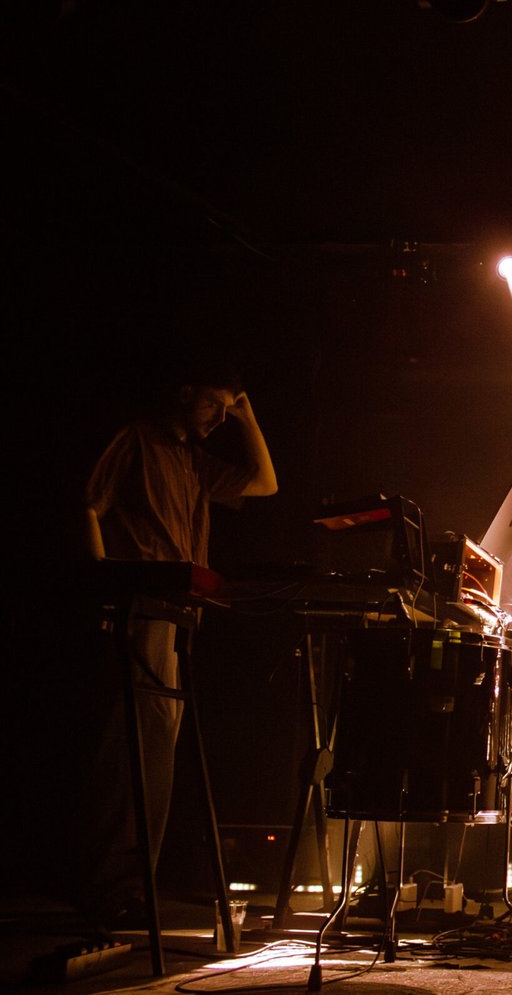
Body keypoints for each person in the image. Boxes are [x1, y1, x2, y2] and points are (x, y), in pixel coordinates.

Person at [78, 362, 277, 924]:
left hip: (175, 614)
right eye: (213, 404)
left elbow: (264, 483)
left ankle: (133, 885)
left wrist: (246, 416)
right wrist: (103, 582)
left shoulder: (192, 460)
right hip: (137, 608)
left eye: (226, 410)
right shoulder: (136, 438)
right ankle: (109, 887)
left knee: (156, 754)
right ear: (184, 392)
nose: (219, 419)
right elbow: (89, 503)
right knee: (129, 749)